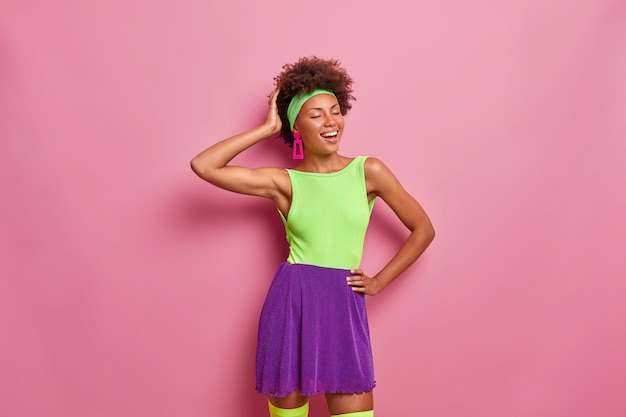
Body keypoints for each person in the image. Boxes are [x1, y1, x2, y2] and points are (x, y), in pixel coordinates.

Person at [191, 56, 435, 417]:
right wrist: (266, 129)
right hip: (292, 301)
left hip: (342, 303)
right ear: (296, 128)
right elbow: (203, 166)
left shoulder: (368, 171)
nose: (331, 121)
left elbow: (423, 229)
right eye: (316, 114)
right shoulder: (284, 182)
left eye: (335, 111)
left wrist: (381, 280)